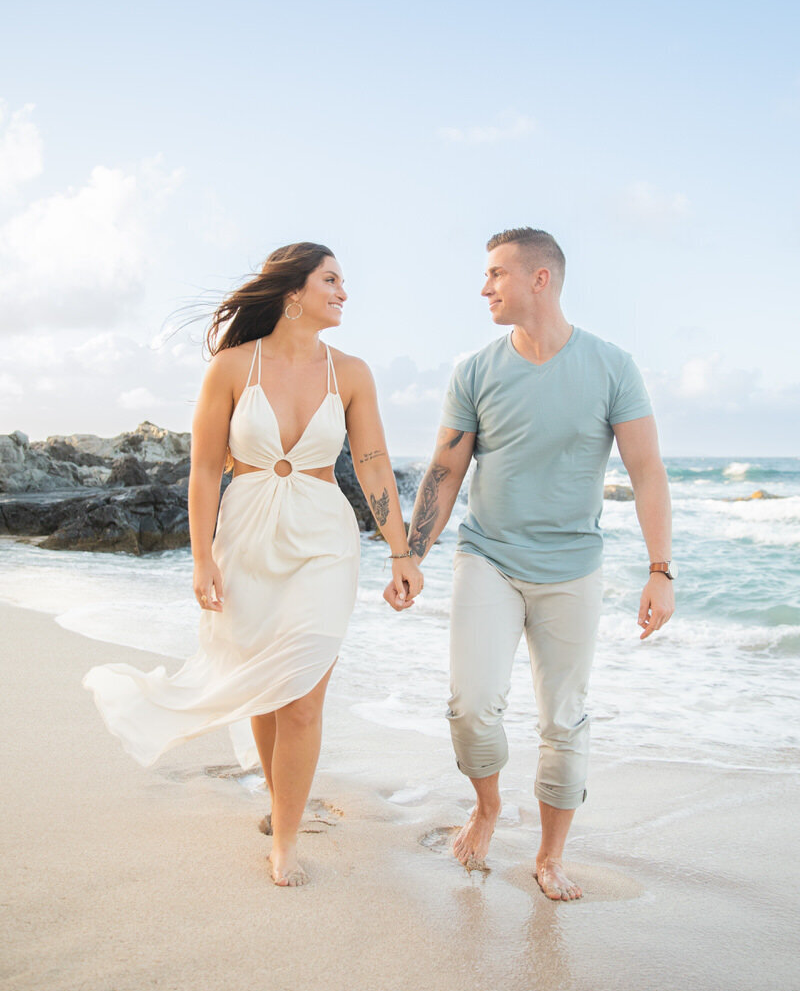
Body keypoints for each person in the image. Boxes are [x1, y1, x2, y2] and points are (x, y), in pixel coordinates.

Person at [84, 242, 422, 887]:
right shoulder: (233, 367)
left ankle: (286, 841)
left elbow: (373, 463)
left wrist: (400, 551)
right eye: (332, 280)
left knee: (299, 696)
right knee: (267, 688)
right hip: (245, 538)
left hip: (324, 538)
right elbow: (207, 468)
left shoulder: (351, 372)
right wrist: (201, 557)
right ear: (293, 293)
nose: (344, 291)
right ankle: (278, 804)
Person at [384, 227, 674, 901]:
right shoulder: (476, 370)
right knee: (471, 706)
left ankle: (549, 857)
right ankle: (487, 805)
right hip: (488, 556)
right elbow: (446, 467)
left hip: (573, 568)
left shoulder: (612, 367)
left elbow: (648, 471)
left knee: (563, 719)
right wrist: (410, 555)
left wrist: (662, 569)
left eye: (496, 274)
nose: (484, 287)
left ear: (539, 279)